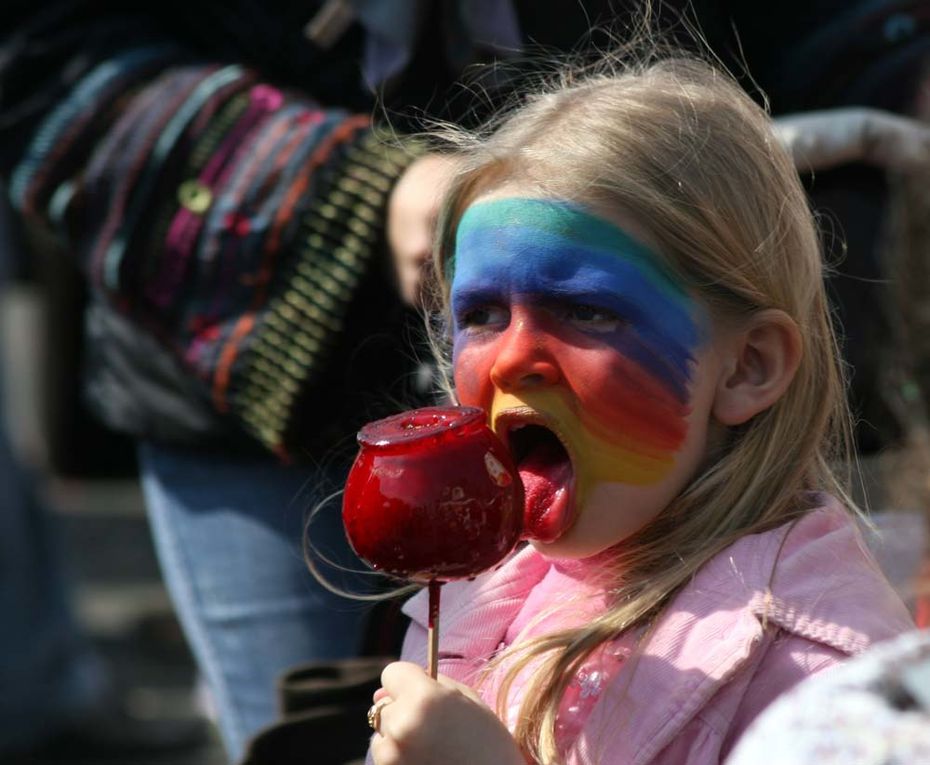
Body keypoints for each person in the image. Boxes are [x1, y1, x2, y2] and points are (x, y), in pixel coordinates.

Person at [363, 54, 916, 765]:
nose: (509, 360)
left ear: (747, 366)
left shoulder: (823, 681)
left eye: (587, 310)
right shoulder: (486, 594)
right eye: (484, 313)